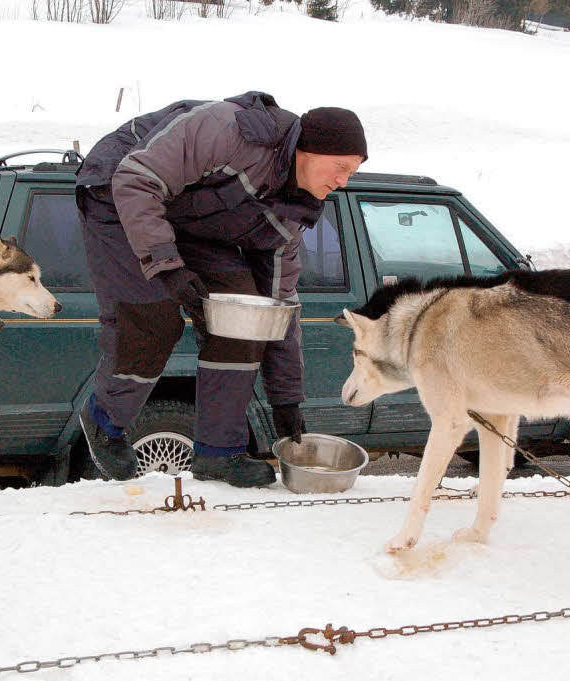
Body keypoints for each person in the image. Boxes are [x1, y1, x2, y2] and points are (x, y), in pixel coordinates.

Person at [75, 91, 367, 487]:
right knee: (153, 318)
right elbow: (137, 178)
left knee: (248, 318)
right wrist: (167, 266)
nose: (343, 181)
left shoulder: (289, 219)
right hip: (118, 187)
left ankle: (218, 453)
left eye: (352, 172)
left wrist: (286, 398)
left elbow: (280, 307)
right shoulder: (233, 130)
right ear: (309, 151)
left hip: (187, 218)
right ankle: (104, 420)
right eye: (341, 167)